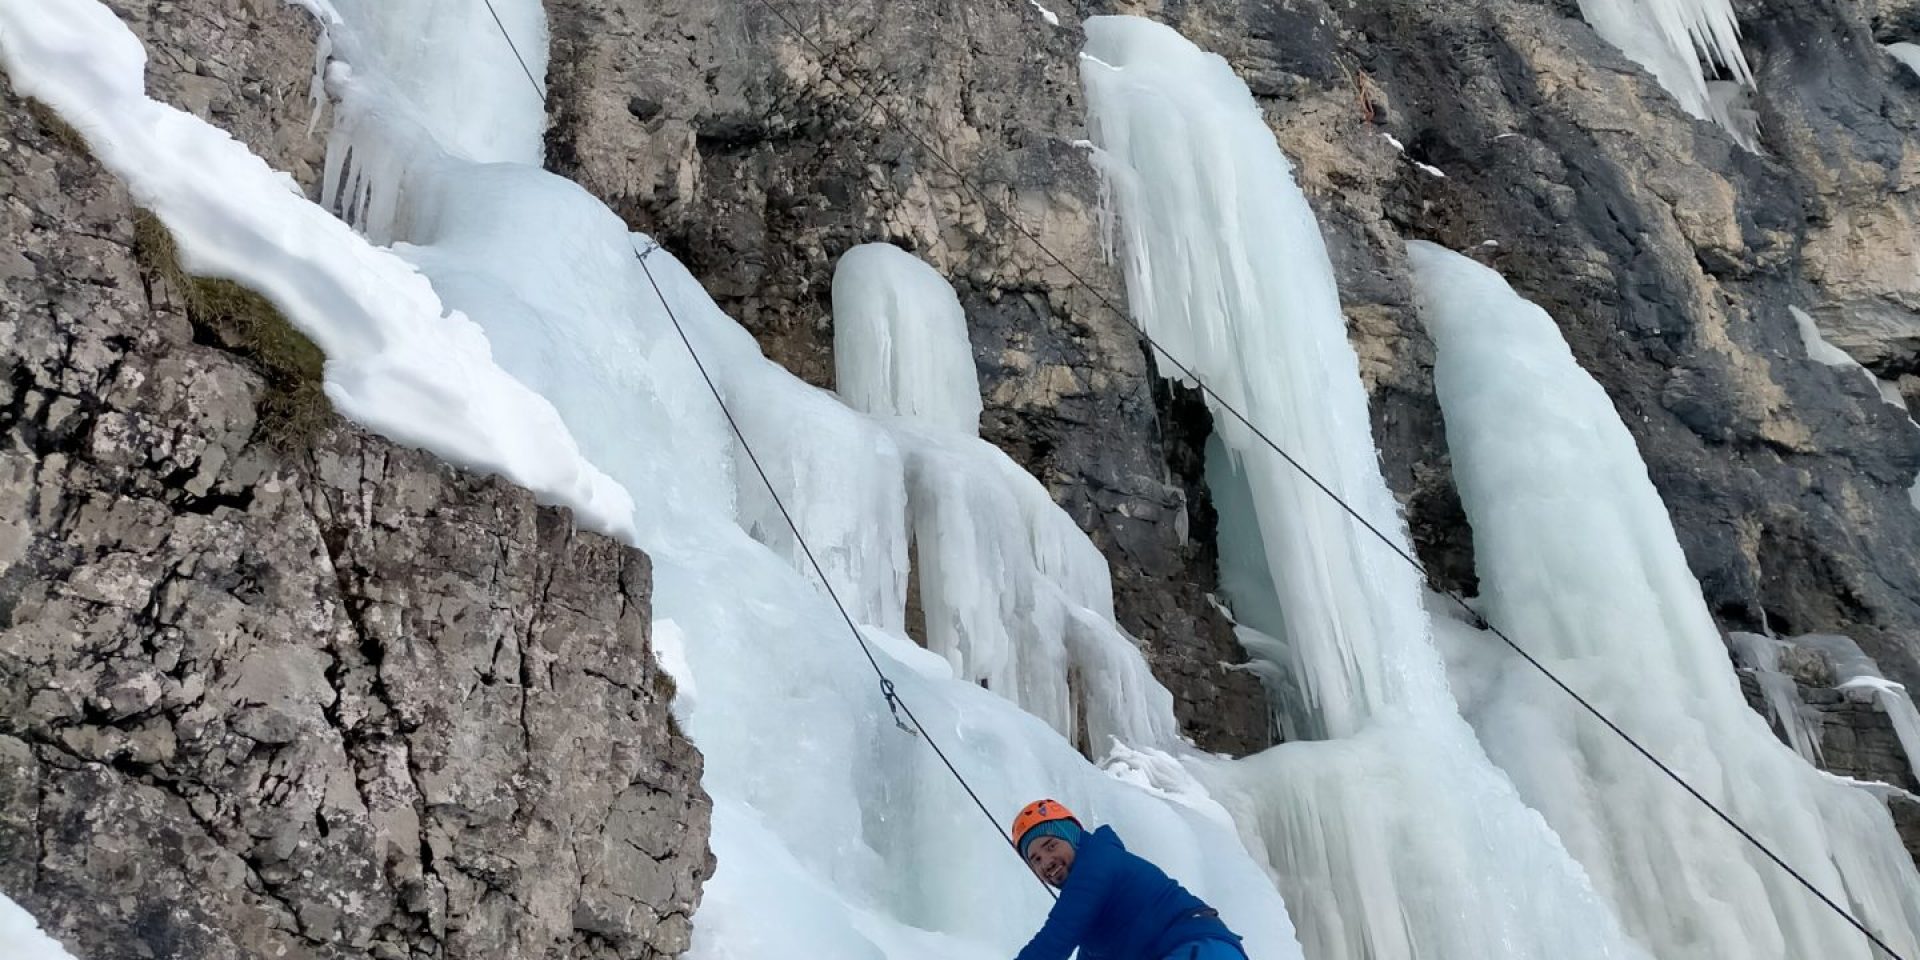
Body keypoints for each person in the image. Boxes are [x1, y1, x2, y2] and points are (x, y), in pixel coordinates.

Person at [1010, 798, 1247, 960]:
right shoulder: (1092, 918)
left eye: (1051, 845)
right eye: (1036, 859)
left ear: (1072, 837)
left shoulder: (1098, 863)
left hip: (1200, 948)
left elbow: (1054, 941)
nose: (1046, 861)